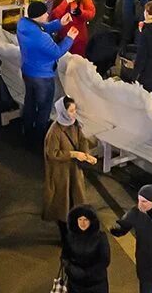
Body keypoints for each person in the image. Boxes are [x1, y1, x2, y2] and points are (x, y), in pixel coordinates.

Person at [18, 0, 75, 136]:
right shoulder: (41, 37)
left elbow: (43, 26)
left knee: (30, 102)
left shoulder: (23, 24)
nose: (47, 15)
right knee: (44, 107)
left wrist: (59, 23)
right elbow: (56, 52)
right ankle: (40, 135)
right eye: (45, 14)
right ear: (39, 16)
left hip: (27, 71)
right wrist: (69, 38)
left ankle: (27, 130)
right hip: (43, 77)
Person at [43, 97, 98, 234]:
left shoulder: (74, 124)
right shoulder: (54, 131)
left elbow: (82, 140)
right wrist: (73, 154)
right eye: (71, 110)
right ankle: (65, 236)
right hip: (61, 174)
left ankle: (74, 231)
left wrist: (86, 155)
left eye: (75, 110)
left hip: (74, 171)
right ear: (63, 112)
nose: (74, 113)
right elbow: (52, 154)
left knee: (76, 200)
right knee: (63, 204)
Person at [62, 205, 110, 293]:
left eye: (86, 220)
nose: (82, 223)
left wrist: (88, 273)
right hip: (75, 284)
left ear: (91, 221)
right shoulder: (70, 237)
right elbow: (64, 257)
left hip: (96, 284)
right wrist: (72, 270)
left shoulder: (100, 237)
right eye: (80, 219)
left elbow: (104, 260)